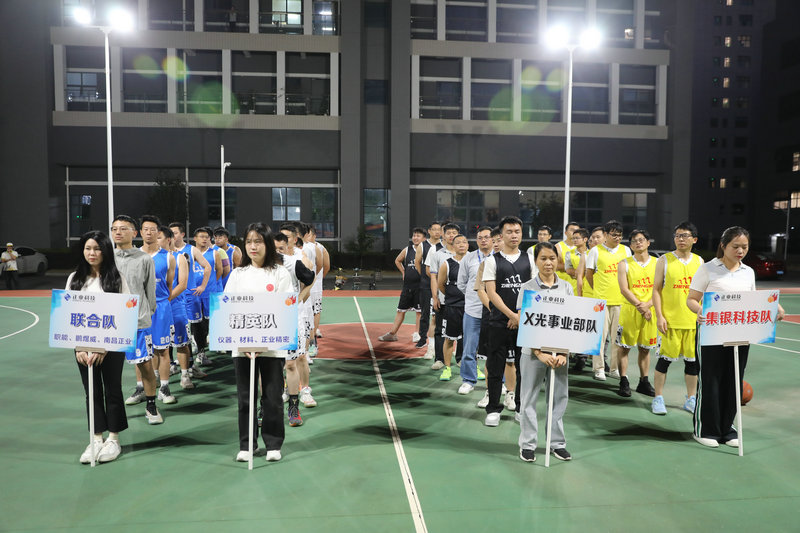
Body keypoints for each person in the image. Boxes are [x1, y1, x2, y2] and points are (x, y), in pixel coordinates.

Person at [686, 226, 785, 448]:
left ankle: (727, 428)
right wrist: (700, 311)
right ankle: (705, 429)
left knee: (734, 380)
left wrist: (773, 306)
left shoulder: (748, 272)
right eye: (735, 246)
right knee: (710, 380)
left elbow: (752, 299)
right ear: (723, 246)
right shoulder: (707, 269)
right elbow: (691, 299)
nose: (740, 251)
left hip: (740, 333)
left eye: (745, 247)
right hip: (711, 333)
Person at [226, 222, 294, 463]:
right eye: (248, 242)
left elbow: (286, 307)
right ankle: (247, 445)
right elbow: (228, 308)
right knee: (246, 398)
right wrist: (244, 344)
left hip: (272, 348)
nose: (253, 246)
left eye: (258, 241)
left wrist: (264, 342)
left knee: (272, 398)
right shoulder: (237, 274)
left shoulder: (280, 273)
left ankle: (273, 444)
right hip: (242, 348)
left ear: (267, 244)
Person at [68, 231, 131, 464]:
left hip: (112, 346)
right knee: (91, 391)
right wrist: (79, 347)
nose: (92, 253)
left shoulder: (117, 279)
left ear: (105, 251)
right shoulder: (75, 278)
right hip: (83, 347)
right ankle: (96, 438)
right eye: (88, 248)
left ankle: (113, 439)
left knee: (112, 389)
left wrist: (103, 347)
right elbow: (69, 315)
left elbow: (124, 314)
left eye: (97, 248)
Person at [516, 242, 573, 463]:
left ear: (558, 260)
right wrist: (539, 353)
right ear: (536, 261)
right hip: (532, 353)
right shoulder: (527, 287)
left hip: (559, 354)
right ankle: (528, 444)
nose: (548, 263)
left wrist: (564, 353)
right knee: (528, 398)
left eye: (552, 258)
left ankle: (557, 443)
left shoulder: (566, 287)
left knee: (559, 397)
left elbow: (571, 323)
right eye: (543, 258)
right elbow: (525, 322)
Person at [482, 216, 537, 427]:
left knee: (524, 369)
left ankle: (521, 408)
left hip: (525, 322)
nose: (514, 235)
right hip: (498, 322)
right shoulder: (492, 261)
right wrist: (511, 315)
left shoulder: (529, 259)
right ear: (501, 235)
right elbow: (491, 293)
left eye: (517, 231)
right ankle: (493, 409)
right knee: (495, 367)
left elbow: (533, 290)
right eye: (509, 232)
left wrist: (519, 315)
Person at [650, 222, 704, 415]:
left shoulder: (700, 262)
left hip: (693, 322)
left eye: (685, 236)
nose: (681, 239)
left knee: (692, 363)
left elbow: (703, 291)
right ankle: (658, 398)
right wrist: (660, 316)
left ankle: (691, 398)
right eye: (678, 236)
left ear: (694, 239)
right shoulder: (664, 260)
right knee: (664, 362)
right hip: (670, 321)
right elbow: (656, 290)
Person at [112, 215, 161, 424]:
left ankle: (151, 405)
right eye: (114, 228)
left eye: (123, 228)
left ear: (134, 233)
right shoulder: (107, 258)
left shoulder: (144, 259)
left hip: (138, 322)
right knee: (110, 371)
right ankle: (113, 413)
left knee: (145, 366)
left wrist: (146, 314)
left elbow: (150, 292)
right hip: (111, 324)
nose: (118, 232)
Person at [585, 220, 631, 381]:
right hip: (601, 302)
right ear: (605, 235)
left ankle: (614, 368)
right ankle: (599, 368)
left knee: (617, 338)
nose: (617, 238)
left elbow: (629, 274)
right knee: (600, 337)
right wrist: (598, 290)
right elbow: (589, 274)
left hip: (620, 301)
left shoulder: (626, 250)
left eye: (619, 235)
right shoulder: (595, 251)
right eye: (613, 235)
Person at [139, 216, 178, 405]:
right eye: (145, 229)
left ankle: (164, 387)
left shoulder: (169, 257)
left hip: (161, 307)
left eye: (152, 229)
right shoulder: (135, 256)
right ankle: (141, 388)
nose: (149, 232)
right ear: (140, 232)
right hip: (139, 309)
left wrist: (160, 303)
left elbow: (169, 285)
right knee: (141, 351)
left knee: (163, 350)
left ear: (158, 232)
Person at [279, 223, 317, 415]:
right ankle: (286, 388)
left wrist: (298, 300)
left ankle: (305, 390)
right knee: (282, 359)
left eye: (287, 237)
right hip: (278, 313)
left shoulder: (301, 258)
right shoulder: (275, 259)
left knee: (300, 356)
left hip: (298, 311)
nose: (283, 240)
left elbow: (310, 281)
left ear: (295, 239)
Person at [616, 229, 657, 398]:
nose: (638, 243)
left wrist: (648, 305)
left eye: (641, 240)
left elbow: (660, 288)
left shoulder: (658, 263)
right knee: (624, 347)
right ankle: (623, 380)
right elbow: (624, 289)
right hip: (630, 310)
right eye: (634, 241)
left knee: (645, 349)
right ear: (631, 246)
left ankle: (644, 381)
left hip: (651, 310)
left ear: (648, 242)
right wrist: (641, 306)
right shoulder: (624, 264)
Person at [169, 222, 212, 370]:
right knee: (171, 328)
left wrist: (203, 286)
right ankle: (172, 363)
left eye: (175, 233)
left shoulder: (191, 250)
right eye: (170, 233)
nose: (172, 236)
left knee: (196, 326)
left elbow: (207, 266)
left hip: (190, 295)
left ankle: (200, 354)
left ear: (182, 234)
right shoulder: (165, 253)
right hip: (173, 296)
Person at [157, 226, 196, 390]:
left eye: (158, 237)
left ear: (168, 239)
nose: (155, 240)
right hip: (158, 307)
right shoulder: (152, 258)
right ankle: (157, 378)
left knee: (181, 342)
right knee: (158, 346)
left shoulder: (180, 257)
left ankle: (185, 375)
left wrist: (165, 300)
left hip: (175, 305)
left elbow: (182, 284)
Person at [455, 226, 493, 395]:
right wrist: (473, 296)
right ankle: (468, 380)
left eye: (487, 237)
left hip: (494, 311)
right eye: (480, 238)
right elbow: (461, 283)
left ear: (493, 239)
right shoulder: (469, 258)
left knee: (496, 348)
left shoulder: (498, 257)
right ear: (476, 240)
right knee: (469, 347)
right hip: (473, 310)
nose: (483, 240)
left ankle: (500, 381)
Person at [423, 222, 460, 370]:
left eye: (454, 233)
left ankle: (460, 358)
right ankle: (439, 359)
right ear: (443, 235)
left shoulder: (467, 255)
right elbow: (433, 277)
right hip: (443, 299)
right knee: (440, 329)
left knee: (462, 330)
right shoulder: (437, 254)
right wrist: (435, 297)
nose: (451, 235)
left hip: (461, 301)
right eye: (448, 233)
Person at [379, 228, 425, 342]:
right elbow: (397, 260)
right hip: (407, 286)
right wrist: (403, 272)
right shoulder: (407, 249)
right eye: (414, 235)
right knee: (400, 310)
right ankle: (392, 334)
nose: (415, 238)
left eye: (418, 236)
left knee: (419, 312)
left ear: (424, 238)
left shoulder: (427, 250)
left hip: (420, 286)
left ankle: (417, 334)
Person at [436, 234, 469, 381]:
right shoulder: (447, 263)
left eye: (464, 242)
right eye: (458, 242)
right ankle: (447, 368)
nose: (461, 244)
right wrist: (452, 296)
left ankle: (473, 367)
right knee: (449, 339)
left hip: (470, 308)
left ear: (468, 245)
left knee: (471, 340)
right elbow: (441, 284)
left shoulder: (474, 262)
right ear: (453, 246)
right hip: (453, 307)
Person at [192, 227, 226, 366]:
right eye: (201, 236)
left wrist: (209, 284)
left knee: (206, 324)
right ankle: (200, 350)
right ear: (195, 238)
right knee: (195, 323)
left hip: (209, 293)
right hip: (193, 294)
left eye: (207, 237)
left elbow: (220, 271)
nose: (205, 239)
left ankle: (203, 350)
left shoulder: (214, 253)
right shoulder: (189, 253)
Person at [564, 228, 590, 373]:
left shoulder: (592, 253)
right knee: (574, 325)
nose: (574, 240)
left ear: (585, 239)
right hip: (574, 293)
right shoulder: (570, 254)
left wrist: (582, 272)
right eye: (573, 238)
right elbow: (568, 270)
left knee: (586, 327)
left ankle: (583, 357)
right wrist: (583, 272)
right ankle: (574, 355)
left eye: (577, 238)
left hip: (590, 293)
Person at [417, 221, 443, 351]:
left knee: (437, 314)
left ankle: (438, 341)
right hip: (426, 284)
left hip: (440, 285)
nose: (437, 232)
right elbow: (417, 262)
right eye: (435, 229)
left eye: (439, 230)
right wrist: (425, 276)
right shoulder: (423, 245)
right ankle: (422, 338)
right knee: (425, 313)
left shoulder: (444, 246)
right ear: (429, 231)